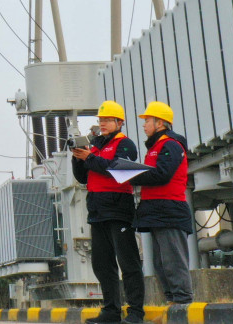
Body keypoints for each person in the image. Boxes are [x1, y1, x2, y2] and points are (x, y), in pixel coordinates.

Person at [72, 101, 145, 324]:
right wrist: (78, 159)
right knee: (102, 264)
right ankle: (111, 310)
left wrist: (90, 158)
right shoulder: (95, 146)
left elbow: (118, 169)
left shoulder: (126, 145)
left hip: (118, 208)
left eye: (107, 120)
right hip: (98, 210)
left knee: (128, 262)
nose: (102, 123)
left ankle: (135, 313)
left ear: (119, 122)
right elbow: (84, 177)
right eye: (101, 120)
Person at [129, 101, 195, 304]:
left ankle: (182, 301)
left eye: (147, 120)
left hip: (169, 209)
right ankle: (172, 300)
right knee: (160, 262)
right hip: (157, 210)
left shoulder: (171, 145)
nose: (144, 124)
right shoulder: (156, 146)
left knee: (173, 260)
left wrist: (132, 175)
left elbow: (162, 174)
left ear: (160, 123)